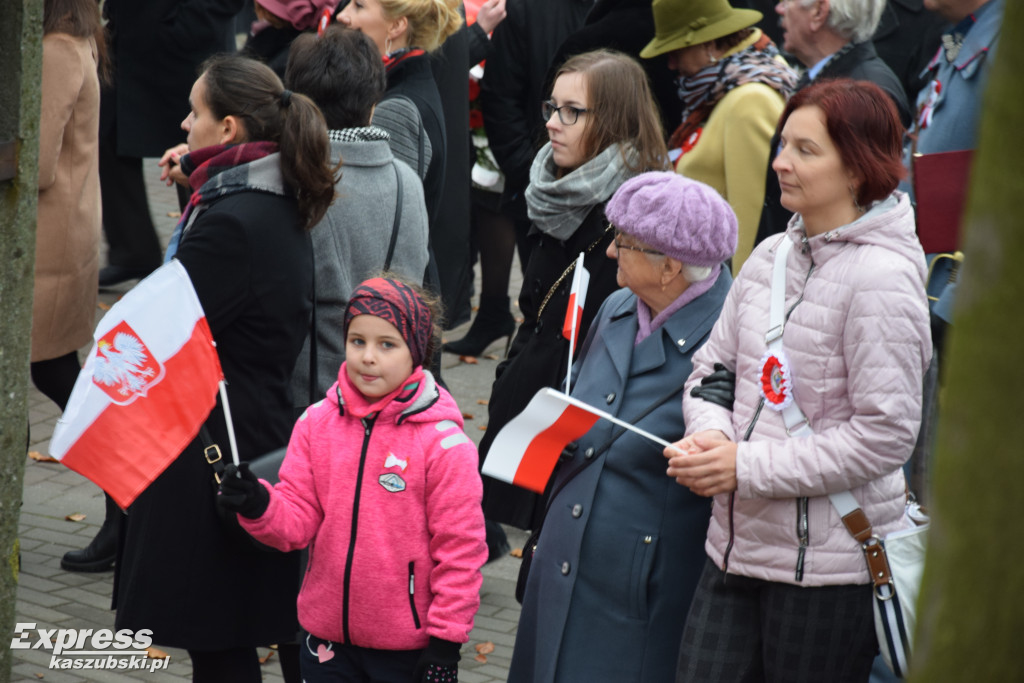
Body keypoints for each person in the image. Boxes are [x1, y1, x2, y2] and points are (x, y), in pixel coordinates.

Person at [665, 79, 931, 682]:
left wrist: (744, 467)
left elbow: (885, 437)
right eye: (784, 144)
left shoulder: (883, 281)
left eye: (806, 150)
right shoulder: (768, 256)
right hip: (732, 551)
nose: (780, 161)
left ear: (859, 169)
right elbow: (715, 370)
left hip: (829, 576)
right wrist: (710, 436)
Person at [114, 55, 336, 683]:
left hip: (209, 450)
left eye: (196, 112)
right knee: (225, 632)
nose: (184, 124)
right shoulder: (259, 198)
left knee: (216, 642)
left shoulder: (234, 223)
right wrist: (196, 189)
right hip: (244, 430)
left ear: (231, 128)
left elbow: (160, 328)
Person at [509, 172, 737, 683]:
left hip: (635, 595)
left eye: (624, 242)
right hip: (564, 562)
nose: (611, 251)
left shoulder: (728, 338)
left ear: (670, 267)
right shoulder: (616, 307)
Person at [217, 277, 487, 683]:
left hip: (406, 651)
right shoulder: (316, 423)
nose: (368, 357)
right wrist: (259, 504)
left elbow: (460, 554)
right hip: (324, 641)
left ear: (417, 352)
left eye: (387, 344)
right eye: (357, 340)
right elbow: (298, 520)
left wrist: (445, 645)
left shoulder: (445, 446)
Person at [478, 49, 670, 542]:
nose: (553, 125)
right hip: (532, 400)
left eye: (572, 112)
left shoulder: (637, 215)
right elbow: (536, 310)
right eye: (551, 108)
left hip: (582, 430)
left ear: (614, 121)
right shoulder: (554, 187)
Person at [283, 26, 430, 407]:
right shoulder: (408, 181)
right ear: (373, 104)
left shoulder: (295, 183)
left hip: (312, 399)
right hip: (391, 394)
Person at [640, 0, 797, 274]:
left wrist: (738, 299)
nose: (671, 64)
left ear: (709, 44)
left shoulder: (748, 100)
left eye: (677, 50)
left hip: (723, 288)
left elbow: (752, 216)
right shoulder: (731, 85)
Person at [36, 0, 111, 571]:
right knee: (61, 375)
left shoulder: (57, 48)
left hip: (48, 247)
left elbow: (35, 163)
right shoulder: (77, 36)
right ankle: (127, 503)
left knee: (58, 375)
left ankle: (127, 502)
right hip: (61, 238)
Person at [336, 0, 466, 324]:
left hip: (390, 308)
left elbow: (381, 229)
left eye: (359, 5)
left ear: (396, 26)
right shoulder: (396, 86)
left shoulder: (397, 107)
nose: (343, 14)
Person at [97, 0, 242, 287]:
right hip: (131, 40)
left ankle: (200, 262)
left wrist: (193, 22)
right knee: (108, 136)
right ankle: (133, 251)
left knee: (200, 151)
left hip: (187, 43)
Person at [755, 0, 911, 245]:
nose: (779, 8)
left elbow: (872, 202)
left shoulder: (869, 92)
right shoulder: (821, 77)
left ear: (819, 11)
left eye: (788, 1)